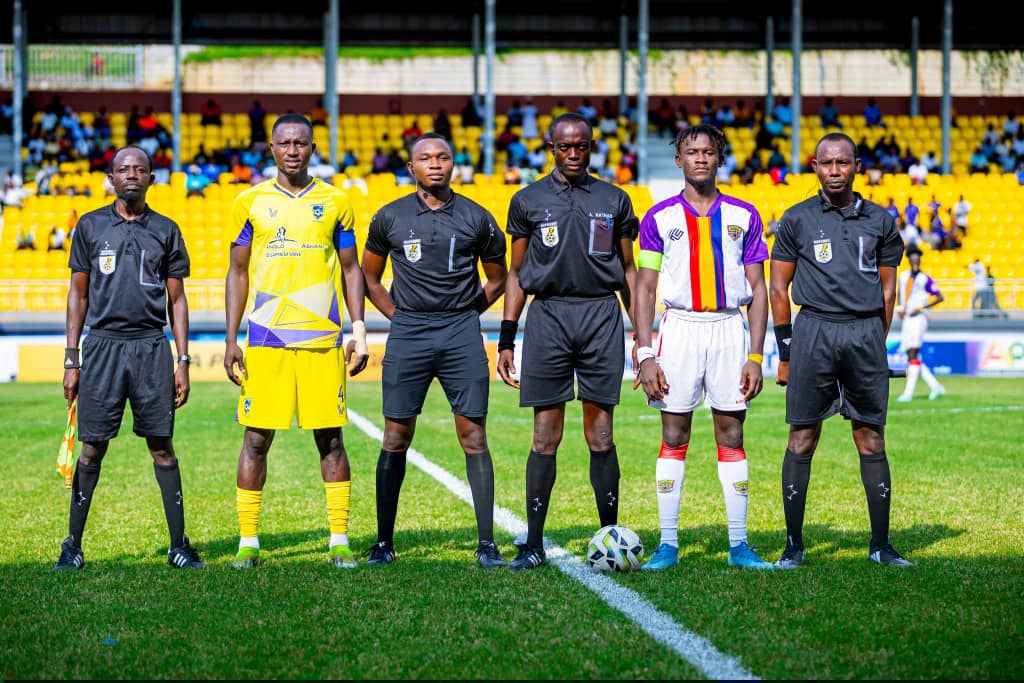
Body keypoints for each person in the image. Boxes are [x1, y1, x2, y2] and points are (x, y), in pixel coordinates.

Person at [223, 114, 370, 570]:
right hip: (266, 339)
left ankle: (339, 540)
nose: (292, 151)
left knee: (331, 440)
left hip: (322, 339)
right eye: (284, 143)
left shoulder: (336, 201)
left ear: (312, 149)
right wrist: (231, 338)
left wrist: (359, 330)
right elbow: (237, 272)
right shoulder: (249, 202)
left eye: (300, 143)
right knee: (255, 440)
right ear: (271, 149)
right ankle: (248, 543)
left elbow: (351, 269)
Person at [496, 112, 639, 571]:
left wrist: (642, 335)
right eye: (565, 147)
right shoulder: (527, 200)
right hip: (548, 316)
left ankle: (610, 537)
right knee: (545, 434)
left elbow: (629, 270)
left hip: (601, 314)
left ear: (592, 147)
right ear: (551, 148)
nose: (573, 154)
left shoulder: (614, 199)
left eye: (581, 146)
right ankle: (533, 544)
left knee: (601, 434)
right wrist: (506, 339)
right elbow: (516, 273)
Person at [360, 133, 509, 568]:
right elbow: (369, 278)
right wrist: (398, 315)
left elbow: (498, 279)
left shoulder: (478, 217)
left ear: (453, 164)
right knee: (395, 435)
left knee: (473, 435)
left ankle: (487, 544)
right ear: (412, 168)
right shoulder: (389, 216)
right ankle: (383, 543)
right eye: (425, 158)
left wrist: (465, 314)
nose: (435, 164)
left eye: (443, 157)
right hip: (409, 332)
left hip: (461, 333)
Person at [632, 123, 774, 571]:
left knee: (731, 434)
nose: (700, 158)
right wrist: (645, 353)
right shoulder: (658, 218)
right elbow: (644, 288)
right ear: (679, 160)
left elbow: (759, 288)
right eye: (692, 152)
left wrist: (756, 356)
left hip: (729, 328)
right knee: (674, 435)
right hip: (680, 329)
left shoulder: (744, 215)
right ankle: (667, 544)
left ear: (719, 158)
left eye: (708, 152)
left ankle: (739, 544)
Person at [55, 145, 203, 571]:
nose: (132, 175)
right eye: (123, 169)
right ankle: (72, 546)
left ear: (152, 178)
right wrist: (71, 359)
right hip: (101, 347)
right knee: (92, 449)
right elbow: (77, 296)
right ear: (111, 178)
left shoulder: (167, 230)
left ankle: (178, 546)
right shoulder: (90, 226)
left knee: (162, 447)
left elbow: (178, 301)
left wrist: (183, 361)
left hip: (151, 347)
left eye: (140, 169)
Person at [769, 132, 911, 569]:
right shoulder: (796, 219)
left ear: (856, 167)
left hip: (864, 332)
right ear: (815, 166)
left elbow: (888, 291)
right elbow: (777, 287)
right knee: (802, 436)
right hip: (813, 331)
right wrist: (786, 352)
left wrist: (875, 339)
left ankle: (881, 545)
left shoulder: (881, 220)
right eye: (827, 163)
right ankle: (793, 546)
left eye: (843, 163)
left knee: (870, 437)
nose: (835, 171)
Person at [895, 246, 946, 403]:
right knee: (911, 355)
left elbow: (940, 297)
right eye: (913, 257)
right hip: (907, 318)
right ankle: (935, 386)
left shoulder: (925, 279)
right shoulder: (903, 276)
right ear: (909, 260)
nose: (915, 260)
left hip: (918, 318)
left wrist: (921, 308)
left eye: (917, 257)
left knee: (913, 353)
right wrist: (900, 308)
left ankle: (908, 393)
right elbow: (899, 294)